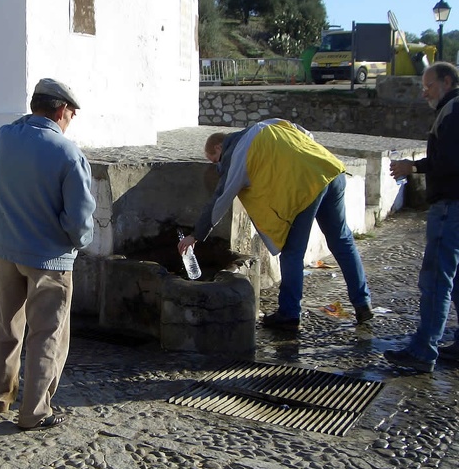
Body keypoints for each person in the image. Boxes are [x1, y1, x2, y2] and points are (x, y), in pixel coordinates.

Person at [178, 118, 373, 332]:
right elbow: (305, 134)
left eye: (214, 159)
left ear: (218, 147)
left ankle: (289, 314)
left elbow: (220, 199)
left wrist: (195, 235)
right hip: (328, 168)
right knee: (342, 241)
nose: (216, 166)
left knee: (292, 252)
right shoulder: (268, 124)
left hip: (303, 187)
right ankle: (363, 304)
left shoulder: (237, 153)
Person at [0, 77, 96, 431]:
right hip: (49, 258)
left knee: (7, 326)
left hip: (5, 249)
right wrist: (78, 242)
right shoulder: (68, 154)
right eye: (71, 114)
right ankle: (34, 412)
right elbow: (79, 220)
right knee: (47, 334)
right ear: (62, 110)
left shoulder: (4, 138)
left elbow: (21, 126)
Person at [384, 62, 459, 373]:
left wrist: (413, 167)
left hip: (450, 206)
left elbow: (450, 161)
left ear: (446, 81)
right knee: (456, 281)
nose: (424, 91)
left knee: (436, 281)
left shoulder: (452, 111)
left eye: (428, 85)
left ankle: (423, 349)